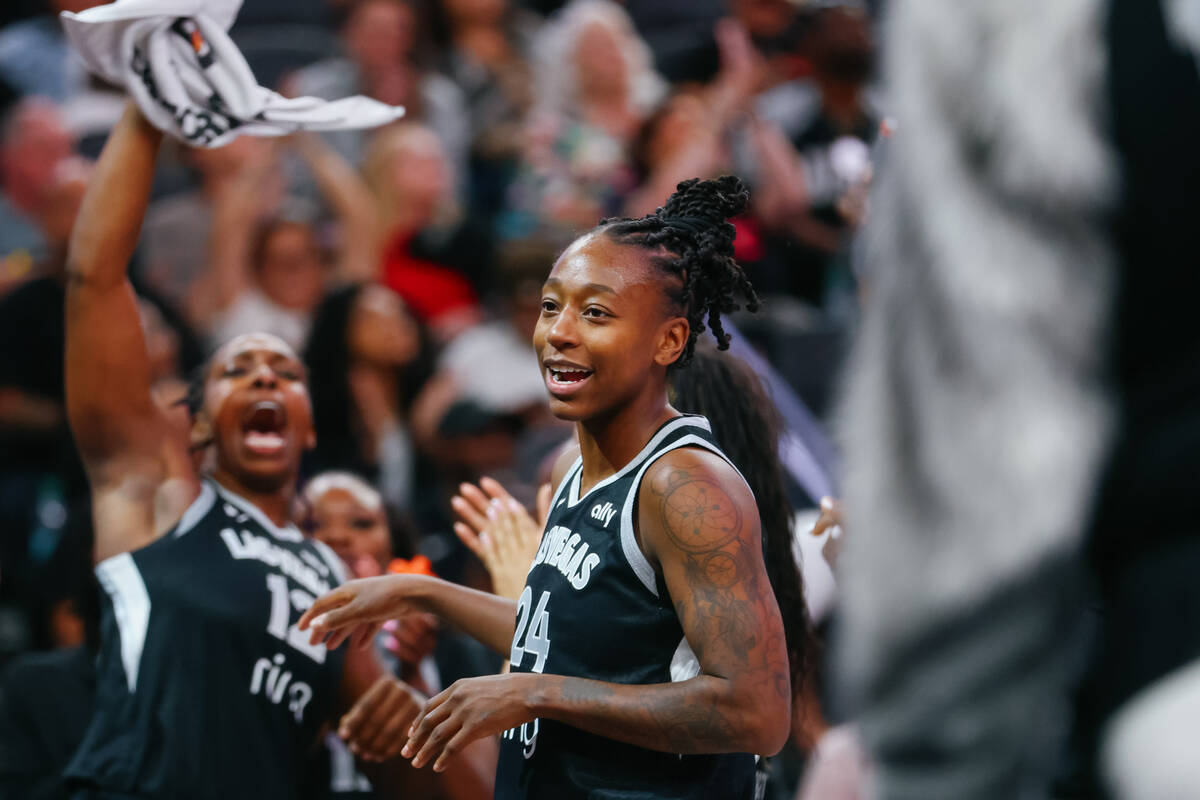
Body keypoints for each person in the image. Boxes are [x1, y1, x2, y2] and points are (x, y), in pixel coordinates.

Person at [300, 176, 793, 798]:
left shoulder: (683, 486)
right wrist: (421, 594)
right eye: (551, 305)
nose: (559, 331)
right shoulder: (570, 468)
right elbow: (562, 638)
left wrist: (535, 694)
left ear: (669, 341)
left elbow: (756, 713)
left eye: (596, 313)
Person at [60, 102, 439, 800]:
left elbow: (394, 765)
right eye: (238, 370)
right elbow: (95, 279)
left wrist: (407, 705)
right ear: (200, 426)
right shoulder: (159, 499)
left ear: (310, 428)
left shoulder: (329, 575)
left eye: (286, 373)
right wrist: (146, 114)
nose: (266, 375)